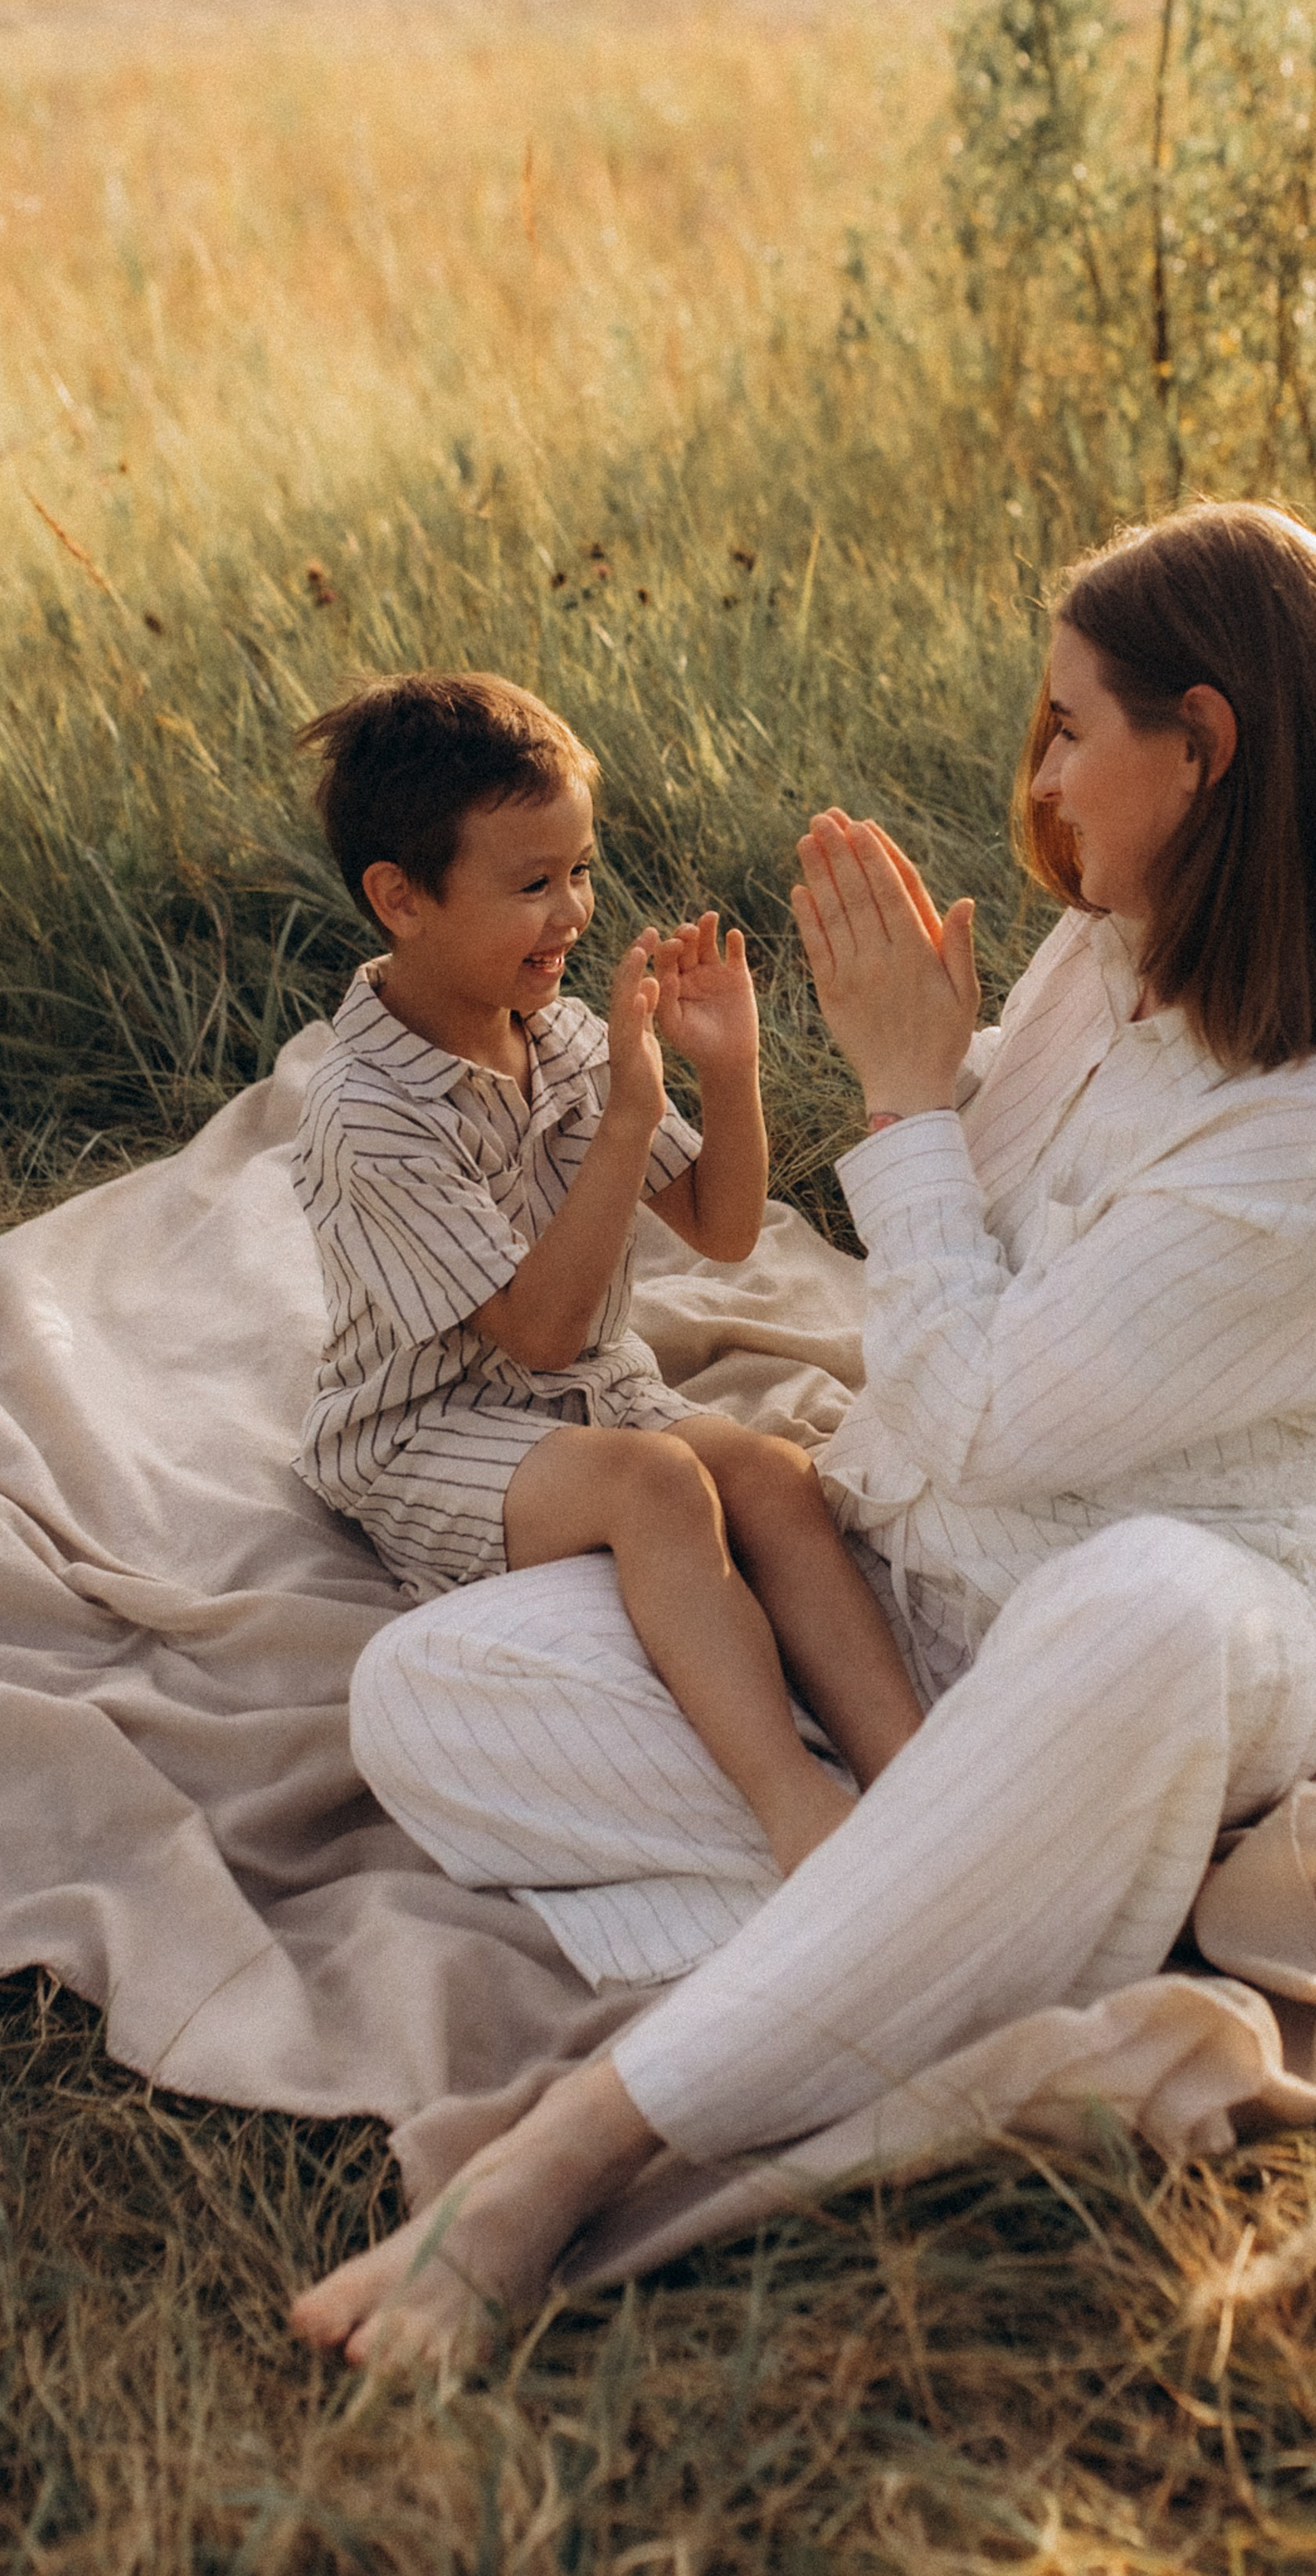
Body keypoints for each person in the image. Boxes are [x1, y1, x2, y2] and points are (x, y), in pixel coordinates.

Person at [290, 506, 1316, 2367]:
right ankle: (965, 1903)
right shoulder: (1103, 960)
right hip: (911, 1616)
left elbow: (982, 1415)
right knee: (422, 1694)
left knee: (1139, 1606)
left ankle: (573, 2150)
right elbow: (937, 1323)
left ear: (1206, 743)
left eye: (1070, 729)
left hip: (1164, 1621)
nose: (1040, 777)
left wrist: (911, 1100)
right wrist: (936, 1086)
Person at [289, 673, 925, 1885]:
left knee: (770, 1473)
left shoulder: (569, 1039)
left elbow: (727, 1228)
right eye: (531, 885)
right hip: (430, 1428)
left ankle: (915, 1770)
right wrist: (631, 1113)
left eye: (580, 871)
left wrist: (723, 1071)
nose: (571, 911)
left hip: (590, 1392)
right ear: (400, 899)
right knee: (656, 1485)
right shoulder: (366, 1114)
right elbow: (533, 1334)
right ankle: (797, 1811)